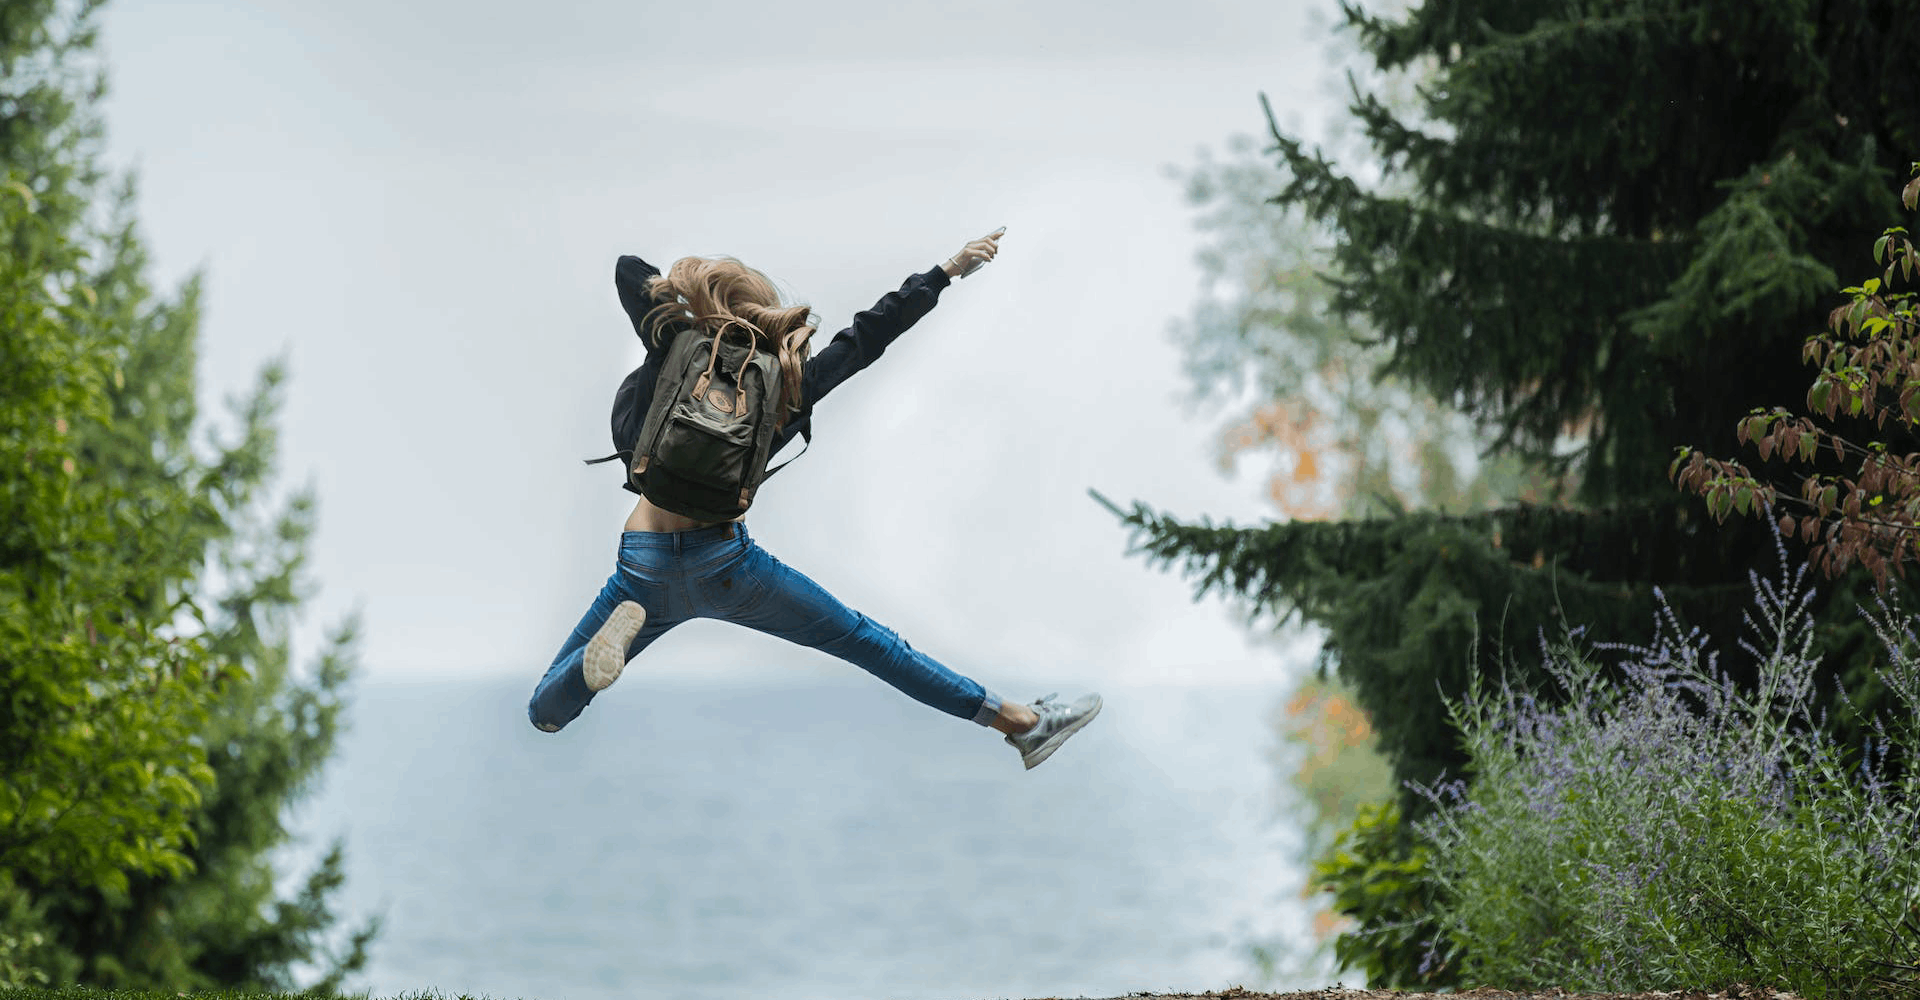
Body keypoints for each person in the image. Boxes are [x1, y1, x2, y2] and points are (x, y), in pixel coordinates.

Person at [526, 229, 1102, 770]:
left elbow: (630, 270)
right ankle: (1021, 723)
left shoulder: (674, 347)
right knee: (869, 643)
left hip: (643, 565)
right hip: (727, 566)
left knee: (544, 712)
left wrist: (692, 298)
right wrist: (946, 270)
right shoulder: (787, 382)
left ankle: (587, 672)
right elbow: (867, 337)